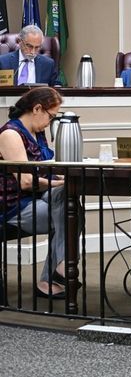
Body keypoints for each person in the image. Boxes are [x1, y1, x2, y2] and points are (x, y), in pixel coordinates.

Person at [0, 87, 73, 299]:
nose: (51, 122)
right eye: (51, 116)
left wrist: (61, 180)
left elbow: (45, 169)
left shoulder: (38, 133)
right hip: (13, 205)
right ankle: (56, 274)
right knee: (69, 211)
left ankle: (58, 271)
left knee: (68, 203)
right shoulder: (11, 134)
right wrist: (59, 184)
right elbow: (25, 182)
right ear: (37, 108)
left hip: (36, 199)